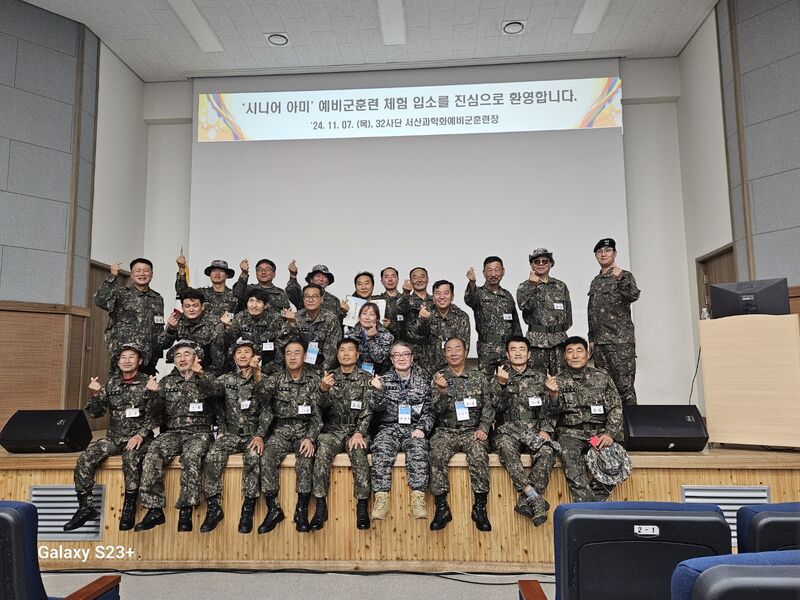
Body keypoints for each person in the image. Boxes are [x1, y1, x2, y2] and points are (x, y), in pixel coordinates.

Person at [64, 343, 157, 532]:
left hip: (139, 439)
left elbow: (156, 416)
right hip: (114, 439)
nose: (127, 360)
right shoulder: (112, 384)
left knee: (131, 458)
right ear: (118, 361)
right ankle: (85, 506)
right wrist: (95, 394)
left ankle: (129, 507)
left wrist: (140, 434)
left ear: (140, 361)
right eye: (123, 357)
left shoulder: (148, 383)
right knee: (86, 457)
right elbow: (95, 413)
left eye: (131, 357)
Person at [135, 340, 216, 532]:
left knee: (191, 456)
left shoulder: (207, 377)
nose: (182, 359)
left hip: (199, 432)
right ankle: (154, 509)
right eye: (178, 355)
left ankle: (186, 510)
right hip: (173, 432)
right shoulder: (166, 382)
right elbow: (155, 414)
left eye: (187, 354)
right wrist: (152, 395)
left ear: (196, 358)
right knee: (153, 452)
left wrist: (200, 375)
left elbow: (215, 393)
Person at [200, 339, 267, 534]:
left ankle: (248, 509)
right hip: (231, 433)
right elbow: (210, 390)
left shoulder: (263, 378)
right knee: (212, 456)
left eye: (247, 351)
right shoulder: (227, 379)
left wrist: (260, 435)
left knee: (253, 458)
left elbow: (268, 407)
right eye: (239, 352)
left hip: (253, 435)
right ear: (234, 357)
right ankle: (214, 507)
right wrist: (200, 374)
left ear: (254, 356)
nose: (243, 355)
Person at [429, 337, 494, 532]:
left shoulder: (479, 377)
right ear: (444, 354)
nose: (454, 353)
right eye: (449, 349)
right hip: (446, 430)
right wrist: (441, 392)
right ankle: (441, 507)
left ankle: (480, 507)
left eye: (458, 349)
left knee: (479, 453)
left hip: (472, 430)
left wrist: (483, 428)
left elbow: (488, 407)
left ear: (465, 353)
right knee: (436, 453)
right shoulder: (438, 378)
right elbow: (435, 411)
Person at [256, 341, 322, 534]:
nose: (292, 357)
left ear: (305, 356)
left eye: (297, 353)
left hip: (304, 431)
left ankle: (301, 510)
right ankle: (273, 508)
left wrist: (310, 438)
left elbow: (317, 417)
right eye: (288, 353)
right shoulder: (276, 379)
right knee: (267, 456)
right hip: (281, 431)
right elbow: (262, 401)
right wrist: (260, 435)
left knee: (306, 458)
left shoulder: (313, 380)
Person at [492, 336, 557, 526]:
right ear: (507, 354)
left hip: (534, 431)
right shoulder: (499, 377)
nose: (518, 353)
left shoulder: (540, 377)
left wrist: (545, 429)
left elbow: (550, 409)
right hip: (508, 430)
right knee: (504, 446)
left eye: (522, 349)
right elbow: (495, 407)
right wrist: (501, 385)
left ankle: (526, 499)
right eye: (513, 349)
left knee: (547, 450)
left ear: (529, 354)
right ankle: (533, 495)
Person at [551, 336, 624, 502]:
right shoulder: (557, 381)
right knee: (570, 459)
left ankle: (593, 504)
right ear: (564, 356)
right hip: (571, 434)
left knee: (614, 461)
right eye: (570, 351)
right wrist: (553, 395)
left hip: (598, 434)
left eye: (579, 350)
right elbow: (552, 412)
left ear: (588, 354)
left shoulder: (602, 377)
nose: (575, 355)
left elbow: (616, 407)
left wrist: (610, 433)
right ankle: (590, 508)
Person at [311, 339, 374, 531]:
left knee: (359, 452)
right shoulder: (328, 378)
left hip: (357, 430)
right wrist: (323, 390)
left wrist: (360, 432)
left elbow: (368, 410)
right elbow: (319, 407)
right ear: (337, 354)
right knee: (322, 451)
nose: (346, 353)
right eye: (342, 350)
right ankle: (320, 505)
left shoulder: (366, 378)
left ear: (358, 354)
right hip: (334, 430)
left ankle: (362, 505)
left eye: (350, 350)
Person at [369, 342, 434, 521]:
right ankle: (381, 500)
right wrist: (378, 391)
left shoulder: (423, 383)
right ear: (391, 359)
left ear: (412, 359)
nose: (401, 358)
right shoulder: (381, 381)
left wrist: (422, 428)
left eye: (405, 354)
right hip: (389, 428)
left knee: (419, 448)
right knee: (381, 448)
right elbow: (375, 409)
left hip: (414, 428)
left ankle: (418, 499)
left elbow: (430, 412)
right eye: (397, 355)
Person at [587, 238, 641, 405]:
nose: (603, 254)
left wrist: (620, 280)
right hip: (600, 344)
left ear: (615, 253)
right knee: (604, 388)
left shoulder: (624, 275)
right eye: (599, 251)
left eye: (607, 250)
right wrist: (591, 338)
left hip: (620, 343)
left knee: (625, 389)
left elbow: (633, 295)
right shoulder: (596, 281)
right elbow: (592, 311)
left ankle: (631, 421)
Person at [94, 258, 164, 375]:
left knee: (148, 386)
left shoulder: (157, 299)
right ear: (131, 275)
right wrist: (112, 277)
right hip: (124, 358)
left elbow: (158, 328)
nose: (142, 273)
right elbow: (100, 301)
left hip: (148, 360)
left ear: (152, 274)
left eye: (146, 270)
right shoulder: (121, 294)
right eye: (138, 270)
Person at [516, 248, 572, 375]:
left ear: (551, 263)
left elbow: (568, 315)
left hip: (559, 342)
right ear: (531, 265)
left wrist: (558, 331)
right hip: (536, 343)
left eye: (544, 261)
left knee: (560, 378)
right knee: (536, 379)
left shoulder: (560, 286)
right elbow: (523, 306)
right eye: (537, 261)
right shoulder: (524, 286)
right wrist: (532, 286)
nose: (541, 264)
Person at [465, 256, 523, 374]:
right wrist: (472, 283)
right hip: (486, 349)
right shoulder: (478, 293)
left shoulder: (507, 296)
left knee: (509, 381)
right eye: (489, 270)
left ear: (503, 272)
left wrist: (519, 346)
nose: (493, 274)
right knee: (485, 382)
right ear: (484, 273)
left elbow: (515, 324)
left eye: (496, 270)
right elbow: (469, 299)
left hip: (507, 349)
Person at [407, 280, 471, 376]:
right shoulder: (425, 312)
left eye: (446, 293)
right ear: (433, 297)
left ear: (452, 296)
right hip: (425, 369)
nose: (442, 297)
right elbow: (413, 336)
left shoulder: (461, 316)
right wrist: (421, 320)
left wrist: (457, 373)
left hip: (450, 370)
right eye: (438, 293)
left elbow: (464, 347)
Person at [160, 288, 227, 377]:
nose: (191, 309)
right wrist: (171, 329)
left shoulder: (214, 323)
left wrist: (204, 376)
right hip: (184, 369)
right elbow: (162, 345)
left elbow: (218, 358)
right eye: (187, 306)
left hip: (208, 369)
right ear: (182, 308)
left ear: (202, 307)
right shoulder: (177, 320)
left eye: (195, 306)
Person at [279, 283, 342, 373]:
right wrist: (291, 323)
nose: (310, 300)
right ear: (303, 299)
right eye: (307, 297)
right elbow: (283, 344)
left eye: (314, 297)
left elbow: (331, 353)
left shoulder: (331, 319)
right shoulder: (296, 317)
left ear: (321, 299)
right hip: (298, 365)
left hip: (321, 366)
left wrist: (321, 373)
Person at [224, 287, 284, 374]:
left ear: (266, 305)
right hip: (244, 361)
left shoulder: (275, 318)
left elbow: (280, 345)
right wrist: (228, 328)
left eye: (258, 302)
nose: (254, 305)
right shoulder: (240, 317)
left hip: (268, 361)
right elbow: (231, 342)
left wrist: (266, 369)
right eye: (251, 301)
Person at [175, 256, 238, 322]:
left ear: (227, 275)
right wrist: (181, 268)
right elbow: (182, 292)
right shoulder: (201, 293)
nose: (217, 273)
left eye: (221, 271)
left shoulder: (235, 295)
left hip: (227, 328)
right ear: (210, 275)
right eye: (214, 271)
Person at [397, 267, 435, 363]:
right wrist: (405, 293)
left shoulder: (435, 300)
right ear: (411, 281)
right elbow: (401, 308)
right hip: (413, 353)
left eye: (422, 277)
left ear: (427, 279)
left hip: (433, 351)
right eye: (415, 277)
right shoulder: (406, 299)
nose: (419, 280)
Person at [344, 302, 394, 375]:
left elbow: (379, 359)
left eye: (371, 314)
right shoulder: (351, 334)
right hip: (356, 375)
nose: (367, 317)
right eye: (364, 314)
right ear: (359, 317)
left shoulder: (386, 335)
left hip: (380, 375)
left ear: (377, 318)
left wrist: (371, 339)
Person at [374, 267, 406, 341]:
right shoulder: (376, 300)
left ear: (398, 279)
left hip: (403, 343)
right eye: (386, 277)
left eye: (393, 276)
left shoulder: (405, 299)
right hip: (381, 343)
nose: (390, 279)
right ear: (382, 281)